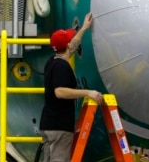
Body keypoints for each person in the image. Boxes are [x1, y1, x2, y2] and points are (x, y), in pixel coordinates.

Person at [39, 12, 104, 162]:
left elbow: (71, 46)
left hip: (49, 124)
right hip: (59, 127)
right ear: (67, 45)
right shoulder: (61, 67)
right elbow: (60, 92)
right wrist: (88, 92)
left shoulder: (52, 61)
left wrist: (84, 28)